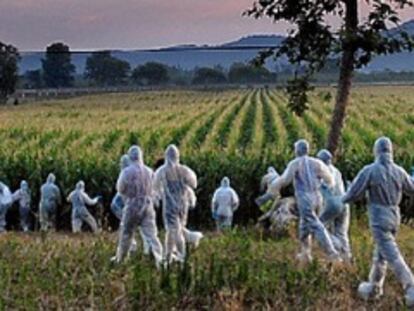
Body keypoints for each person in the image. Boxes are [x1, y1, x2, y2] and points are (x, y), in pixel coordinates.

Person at [342, 137, 414, 306]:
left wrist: (340, 198)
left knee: (392, 255)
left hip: (379, 216)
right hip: (394, 215)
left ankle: (410, 286)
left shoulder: (370, 170)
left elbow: (353, 194)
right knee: (380, 254)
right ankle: (374, 287)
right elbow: (411, 188)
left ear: (376, 150)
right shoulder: (399, 171)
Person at [268, 139, 341, 263]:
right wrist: (324, 185)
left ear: (297, 150)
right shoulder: (317, 163)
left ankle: (332, 254)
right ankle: (305, 254)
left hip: (304, 198)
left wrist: (273, 187)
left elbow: (285, 179)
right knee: (304, 226)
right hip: (318, 197)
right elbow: (330, 179)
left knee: (316, 225)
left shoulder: (295, 163)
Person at [112, 145, 163, 267]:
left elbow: (120, 188)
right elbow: (156, 189)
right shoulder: (149, 171)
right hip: (147, 205)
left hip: (132, 205)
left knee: (126, 233)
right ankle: (158, 259)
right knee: (151, 234)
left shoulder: (126, 171)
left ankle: (121, 259)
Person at [153, 144, 197, 263]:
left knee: (174, 231)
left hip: (170, 207)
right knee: (174, 230)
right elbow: (194, 184)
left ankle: (181, 255)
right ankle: (168, 255)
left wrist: (156, 199)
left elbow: (155, 187)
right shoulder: (184, 170)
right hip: (183, 205)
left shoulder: (162, 171)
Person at [317, 149, 352, 261]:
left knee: (318, 228)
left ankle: (337, 246)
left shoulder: (321, 171)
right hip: (344, 201)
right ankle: (347, 257)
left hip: (332, 203)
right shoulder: (336, 171)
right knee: (341, 232)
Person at [111, 154, 149, 254]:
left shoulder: (126, 174)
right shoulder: (137, 173)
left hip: (132, 208)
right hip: (140, 207)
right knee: (143, 230)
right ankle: (145, 249)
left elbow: (119, 197)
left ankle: (131, 249)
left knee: (127, 230)